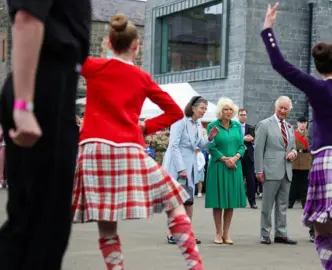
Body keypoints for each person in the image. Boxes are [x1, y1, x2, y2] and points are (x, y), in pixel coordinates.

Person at [71, 14, 204, 270]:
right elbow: (175, 112)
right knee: (175, 199)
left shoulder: (94, 67)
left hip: (93, 148)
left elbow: (68, 56)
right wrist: (144, 127)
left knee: (107, 220)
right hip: (128, 148)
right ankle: (195, 265)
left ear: (108, 43)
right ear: (136, 46)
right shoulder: (141, 77)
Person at [261, 3, 332, 266]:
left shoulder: (315, 87)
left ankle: (331, 266)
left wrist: (268, 28)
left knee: (323, 226)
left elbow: (279, 64)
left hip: (327, 159)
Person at [0, 0, 91, 269]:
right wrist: (24, 105)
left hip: (56, 87)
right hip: (44, 85)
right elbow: (27, 17)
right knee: (38, 226)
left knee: (45, 225)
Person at [162, 96, 219, 245]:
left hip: (191, 165)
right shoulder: (180, 121)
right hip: (177, 165)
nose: (204, 111)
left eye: (205, 109)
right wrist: (181, 168)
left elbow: (199, 144)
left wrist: (210, 138)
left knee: (189, 201)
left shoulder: (198, 123)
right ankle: (172, 234)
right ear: (193, 108)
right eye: (202, 108)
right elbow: (173, 146)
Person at [255, 96, 298, 245]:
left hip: (287, 170)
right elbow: (258, 150)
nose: (283, 111)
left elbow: (293, 147)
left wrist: (294, 153)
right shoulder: (264, 124)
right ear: (275, 107)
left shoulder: (290, 127)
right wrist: (258, 170)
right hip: (269, 170)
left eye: (286, 109)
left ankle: (281, 233)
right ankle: (265, 234)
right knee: (267, 205)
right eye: (281, 107)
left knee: (283, 205)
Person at [205, 97, 246, 245]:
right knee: (218, 201)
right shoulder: (212, 126)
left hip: (234, 166)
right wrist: (225, 159)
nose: (228, 112)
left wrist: (235, 158)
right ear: (220, 111)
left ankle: (227, 233)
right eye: (225, 109)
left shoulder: (236, 126)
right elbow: (211, 146)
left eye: (230, 109)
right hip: (218, 166)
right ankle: (218, 232)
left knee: (230, 201)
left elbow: (242, 146)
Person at [288, 116, 312, 209]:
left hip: (306, 160)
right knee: (293, 183)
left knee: (305, 184)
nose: (303, 124)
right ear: (297, 123)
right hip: (295, 159)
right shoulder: (293, 134)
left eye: (304, 123)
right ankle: (290, 202)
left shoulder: (309, 134)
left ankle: (304, 203)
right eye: (301, 122)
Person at [238, 108, 257, 209]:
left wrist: (251, 139)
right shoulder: (234, 127)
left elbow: (253, 138)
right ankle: (240, 201)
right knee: (239, 179)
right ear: (238, 116)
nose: (243, 116)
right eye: (241, 115)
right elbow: (235, 139)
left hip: (249, 156)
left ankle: (252, 201)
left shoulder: (250, 127)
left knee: (251, 180)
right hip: (238, 156)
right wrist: (243, 138)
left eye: (244, 115)